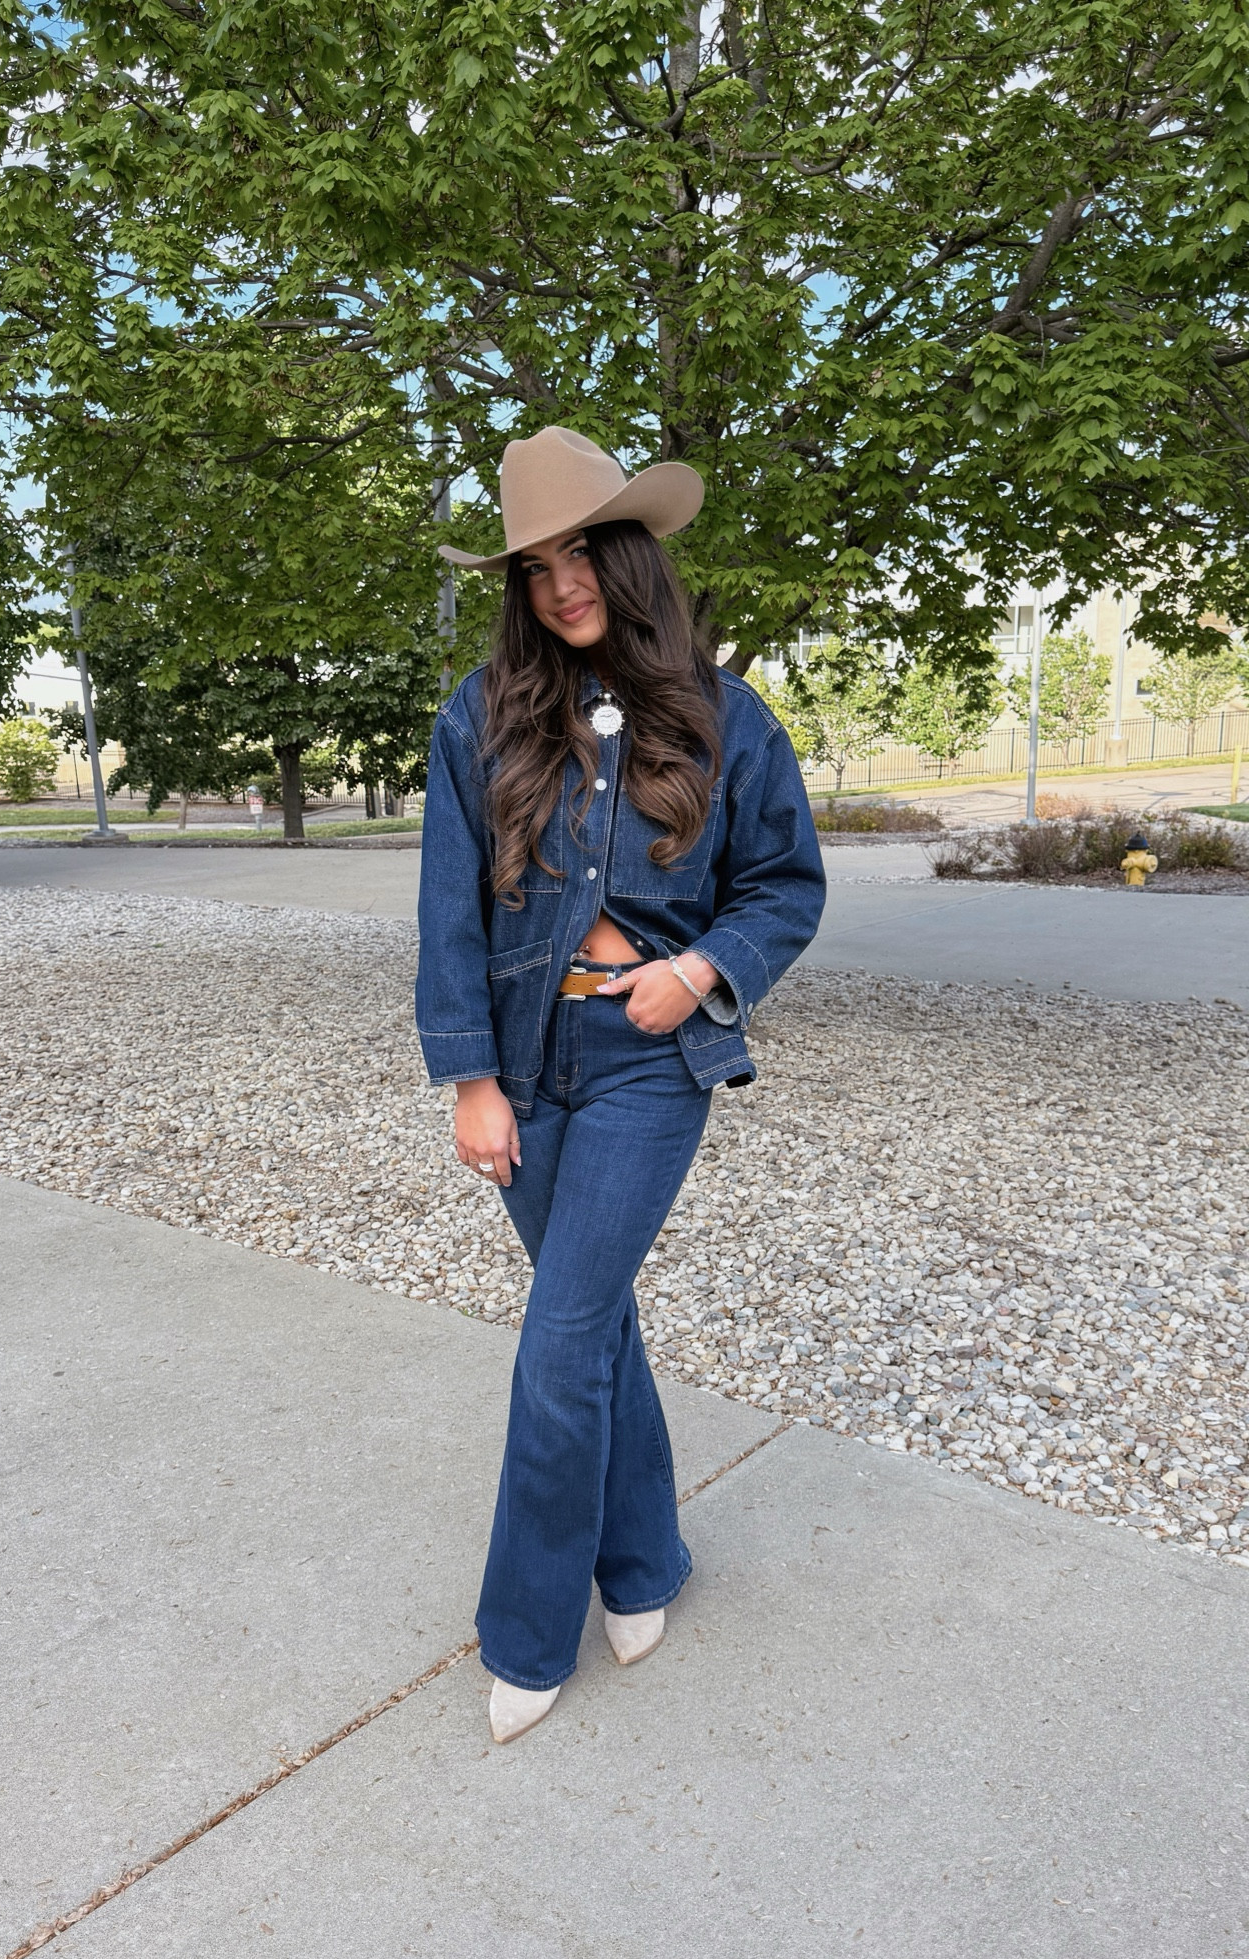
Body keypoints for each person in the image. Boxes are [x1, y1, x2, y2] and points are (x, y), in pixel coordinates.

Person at [416, 425, 826, 1744]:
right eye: (533, 566)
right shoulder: (477, 720)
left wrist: (700, 965)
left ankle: (528, 1636)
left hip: (650, 1062)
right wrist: (468, 1079)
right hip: (525, 1066)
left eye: (581, 550)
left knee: (557, 1343)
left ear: (629, 552)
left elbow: (784, 886)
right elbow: (448, 920)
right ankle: (644, 1564)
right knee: (594, 1329)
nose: (560, 583)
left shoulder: (724, 717)